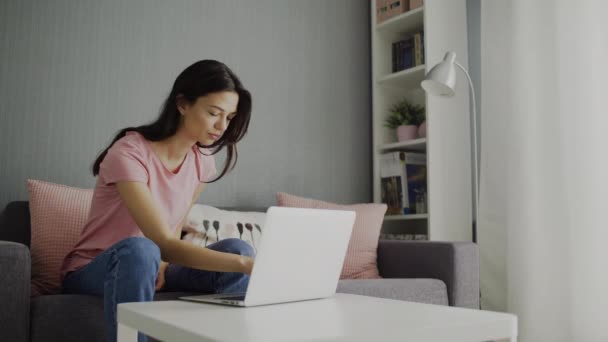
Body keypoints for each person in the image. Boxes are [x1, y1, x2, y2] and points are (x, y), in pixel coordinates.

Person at [60, 60, 254, 342]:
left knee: (239, 247)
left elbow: (174, 224)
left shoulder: (203, 162)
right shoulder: (129, 152)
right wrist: (245, 264)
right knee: (141, 251)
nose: (221, 126)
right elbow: (162, 241)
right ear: (183, 104)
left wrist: (164, 266)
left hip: (155, 263)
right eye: (214, 113)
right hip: (100, 268)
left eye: (229, 117)